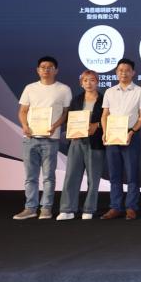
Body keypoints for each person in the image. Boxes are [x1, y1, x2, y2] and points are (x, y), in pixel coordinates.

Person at [14, 55, 72, 220]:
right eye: (43, 67)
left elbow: (66, 113)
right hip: (30, 138)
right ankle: (30, 208)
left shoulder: (64, 89)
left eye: (50, 67)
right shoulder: (30, 88)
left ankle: (46, 208)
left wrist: (55, 125)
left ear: (56, 70)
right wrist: (24, 126)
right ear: (38, 70)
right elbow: (23, 111)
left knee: (48, 176)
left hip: (50, 138)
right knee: (30, 177)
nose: (46, 70)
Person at [101, 58, 141, 220]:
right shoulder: (109, 91)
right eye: (120, 70)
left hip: (130, 135)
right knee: (114, 174)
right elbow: (105, 114)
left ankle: (131, 207)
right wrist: (105, 132)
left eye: (127, 70)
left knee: (132, 173)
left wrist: (132, 131)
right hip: (112, 134)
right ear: (116, 72)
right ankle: (115, 207)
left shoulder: (140, 91)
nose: (123, 73)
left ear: (133, 73)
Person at [56, 69, 104, 220]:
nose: (89, 83)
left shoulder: (104, 100)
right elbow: (70, 120)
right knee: (71, 175)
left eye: (92, 80)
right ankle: (67, 209)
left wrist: (97, 125)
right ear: (81, 83)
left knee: (93, 178)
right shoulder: (76, 100)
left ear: (97, 82)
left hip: (95, 142)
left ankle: (89, 209)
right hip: (76, 141)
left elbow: (109, 119)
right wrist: (71, 132)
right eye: (85, 80)